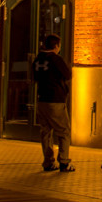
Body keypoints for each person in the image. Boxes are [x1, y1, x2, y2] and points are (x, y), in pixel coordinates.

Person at [33, 34, 74, 172]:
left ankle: (48, 161)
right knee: (63, 131)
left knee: (45, 131)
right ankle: (63, 161)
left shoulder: (38, 59)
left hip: (41, 99)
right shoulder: (56, 59)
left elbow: (33, 77)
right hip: (55, 99)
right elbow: (68, 75)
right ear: (56, 46)